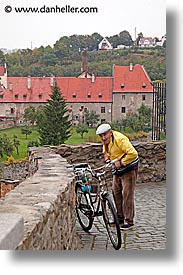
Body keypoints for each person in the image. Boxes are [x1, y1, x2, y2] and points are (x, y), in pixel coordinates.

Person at [96, 123, 139, 230]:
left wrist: (122, 162)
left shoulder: (120, 139)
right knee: (116, 192)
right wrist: (107, 159)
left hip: (129, 168)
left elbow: (133, 154)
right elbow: (105, 152)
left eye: (105, 135)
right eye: (101, 136)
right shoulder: (106, 142)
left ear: (110, 132)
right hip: (118, 169)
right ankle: (119, 217)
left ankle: (129, 221)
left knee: (127, 194)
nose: (103, 137)